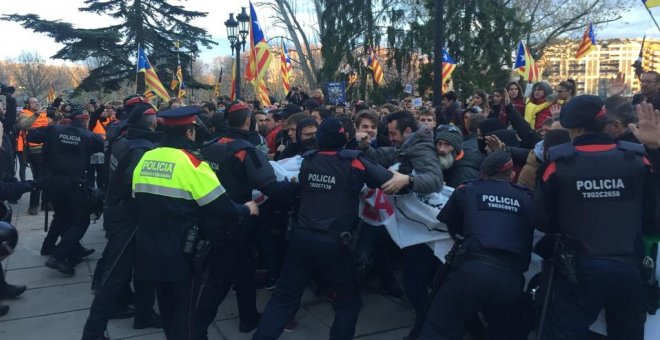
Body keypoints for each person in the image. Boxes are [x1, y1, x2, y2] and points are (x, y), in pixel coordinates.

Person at [253, 117, 394, 340]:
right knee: (348, 302)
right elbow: (386, 179)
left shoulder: (309, 160)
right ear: (345, 137)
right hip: (336, 242)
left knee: (283, 298)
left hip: (302, 238)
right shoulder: (354, 161)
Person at [534, 95, 656, 339]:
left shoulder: (557, 163)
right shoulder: (638, 159)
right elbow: (653, 211)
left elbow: (541, 219)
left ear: (574, 128)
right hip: (629, 267)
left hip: (577, 268)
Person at [131, 106, 259, 339]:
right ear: (190, 132)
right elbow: (222, 209)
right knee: (187, 315)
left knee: (167, 310)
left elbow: (136, 201)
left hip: (149, 248)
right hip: (182, 252)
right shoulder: (193, 164)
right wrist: (246, 209)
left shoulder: (146, 158)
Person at [194, 102, 299, 338]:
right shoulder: (244, 150)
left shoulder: (210, 145)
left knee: (244, 269)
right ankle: (196, 329)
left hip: (214, 215)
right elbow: (270, 186)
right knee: (218, 281)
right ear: (248, 121)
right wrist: (297, 186)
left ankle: (248, 316)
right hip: (236, 220)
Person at [420, 151, 534, 339]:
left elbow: (451, 224)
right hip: (510, 278)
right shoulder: (526, 198)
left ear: (482, 173)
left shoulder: (467, 190)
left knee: (440, 327)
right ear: (512, 175)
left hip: (470, 270)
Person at [81, 104, 162, 340]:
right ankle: (93, 331)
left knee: (143, 267)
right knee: (116, 275)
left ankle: (143, 313)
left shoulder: (123, 138)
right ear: (151, 121)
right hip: (128, 216)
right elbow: (136, 189)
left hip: (121, 212)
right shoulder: (141, 150)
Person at [356, 110, 443, 328]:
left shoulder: (422, 148)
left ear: (407, 131)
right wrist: (366, 147)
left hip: (422, 228)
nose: (391, 138)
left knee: (414, 283)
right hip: (411, 224)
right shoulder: (405, 145)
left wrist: (407, 180)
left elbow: (435, 180)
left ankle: (428, 326)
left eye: (393, 134)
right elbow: (383, 156)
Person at [27, 109, 103, 275]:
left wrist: (50, 127)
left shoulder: (54, 130)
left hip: (52, 181)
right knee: (81, 221)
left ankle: (51, 247)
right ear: (84, 120)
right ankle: (59, 256)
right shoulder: (89, 136)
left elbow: (31, 136)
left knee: (61, 216)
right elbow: (102, 146)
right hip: (75, 184)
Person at [16, 97, 51, 215]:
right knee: (38, 177)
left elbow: (51, 125)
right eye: (34, 102)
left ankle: (46, 203)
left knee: (48, 175)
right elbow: (24, 125)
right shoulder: (24, 114)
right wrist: (36, 114)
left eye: (37, 101)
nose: (37, 103)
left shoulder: (44, 114)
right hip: (33, 151)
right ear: (28, 105)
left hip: (46, 149)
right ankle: (33, 205)